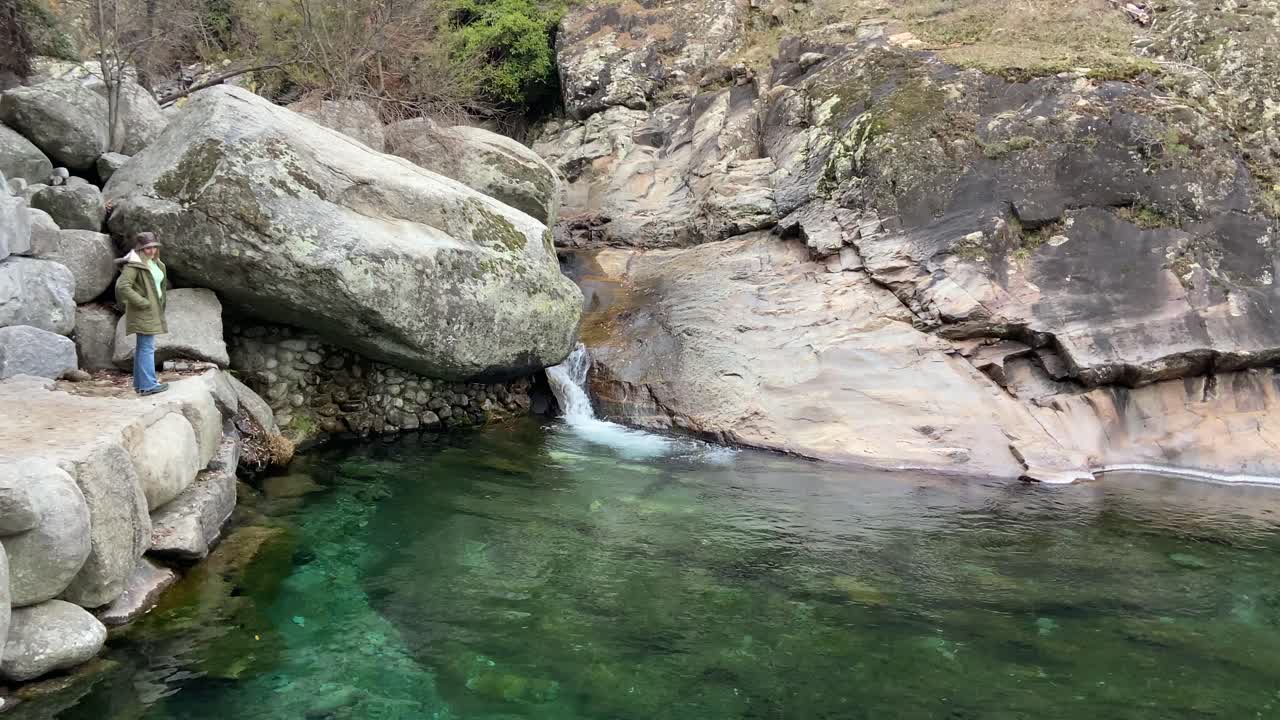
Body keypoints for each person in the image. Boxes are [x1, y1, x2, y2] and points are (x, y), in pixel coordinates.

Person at [114, 232, 169, 395]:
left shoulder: (156, 263)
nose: (151, 250)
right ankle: (148, 386)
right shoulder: (134, 264)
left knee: (143, 347)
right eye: (147, 248)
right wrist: (142, 302)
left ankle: (141, 385)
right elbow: (123, 286)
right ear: (139, 248)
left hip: (153, 310)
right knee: (147, 348)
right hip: (143, 310)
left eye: (154, 247)